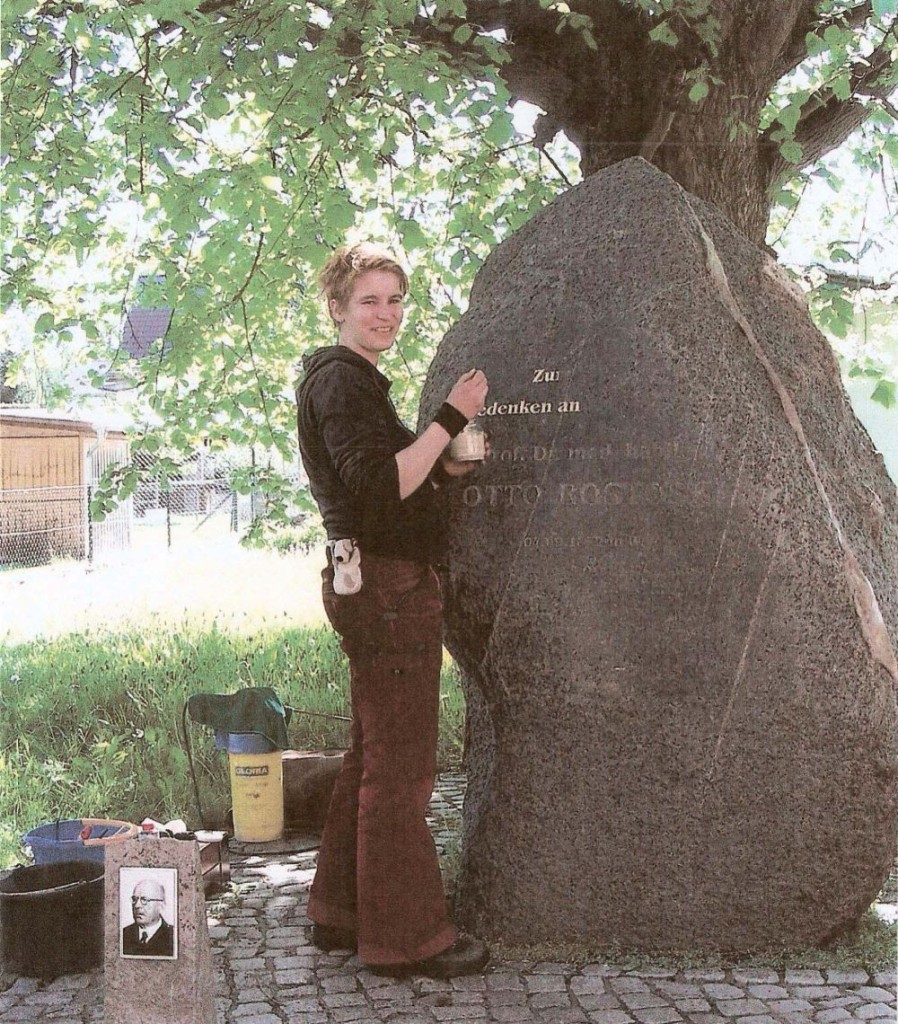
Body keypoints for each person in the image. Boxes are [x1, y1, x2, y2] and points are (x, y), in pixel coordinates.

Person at [295, 242, 490, 977]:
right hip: (387, 591)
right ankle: (406, 940)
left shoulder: (349, 381)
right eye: (370, 300)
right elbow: (378, 490)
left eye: (395, 300)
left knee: (370, 755)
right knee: (401, 771)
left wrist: (443, 459)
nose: (386, 314)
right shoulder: (343, 383)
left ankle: (340, 911)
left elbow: (393, 481)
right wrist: (449, 416)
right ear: (339, 307)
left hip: (369, 582)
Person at [122, 879, 175, 957]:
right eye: (134, 899)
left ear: (161, 905)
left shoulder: (173, 936)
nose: (137, 905)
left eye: (144, 900)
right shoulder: (123, 935)